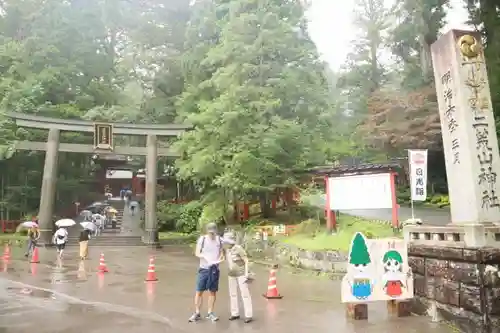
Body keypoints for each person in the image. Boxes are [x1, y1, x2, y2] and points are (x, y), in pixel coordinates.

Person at [188, 222, 225, 322]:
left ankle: (210, 313)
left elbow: (222, 252)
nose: (212, 234)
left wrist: (221, 258)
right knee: (199, 291)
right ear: (207, 231)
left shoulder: (219, 240)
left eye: (213, 232)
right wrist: (204, 256)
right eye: (210, 232)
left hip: (214, 269)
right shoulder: (202, 239)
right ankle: (197, 312)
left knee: (212, 292)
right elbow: (197, 253)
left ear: (216, 231)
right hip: (204, 268)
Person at [223, 231, 253, 323]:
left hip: (241, 273)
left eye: (226, 242)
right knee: (232, 294)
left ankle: (248, 315)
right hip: (231, 274)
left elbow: (246, 260)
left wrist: (247, 272)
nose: (225, 243)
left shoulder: (238, 248)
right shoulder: (227, 250)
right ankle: (235, 313)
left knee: (245, 294)